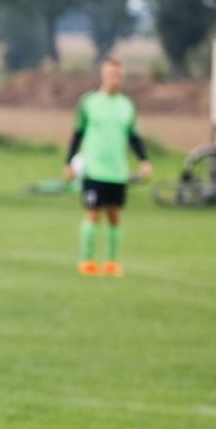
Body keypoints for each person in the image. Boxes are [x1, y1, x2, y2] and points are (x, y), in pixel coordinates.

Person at [64, 55, 152, 277]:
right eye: (112, 74)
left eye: (119, 75)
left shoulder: (126, 106)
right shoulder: (89, 102)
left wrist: (144, 160)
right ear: (104, 75)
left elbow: (134, 137)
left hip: (117, 171)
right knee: (93, 213)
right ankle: (87, 261)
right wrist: (69, 162)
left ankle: (112, 262)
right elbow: (77, 133)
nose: (115, 78)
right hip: (94, 169)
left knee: (114, 215)